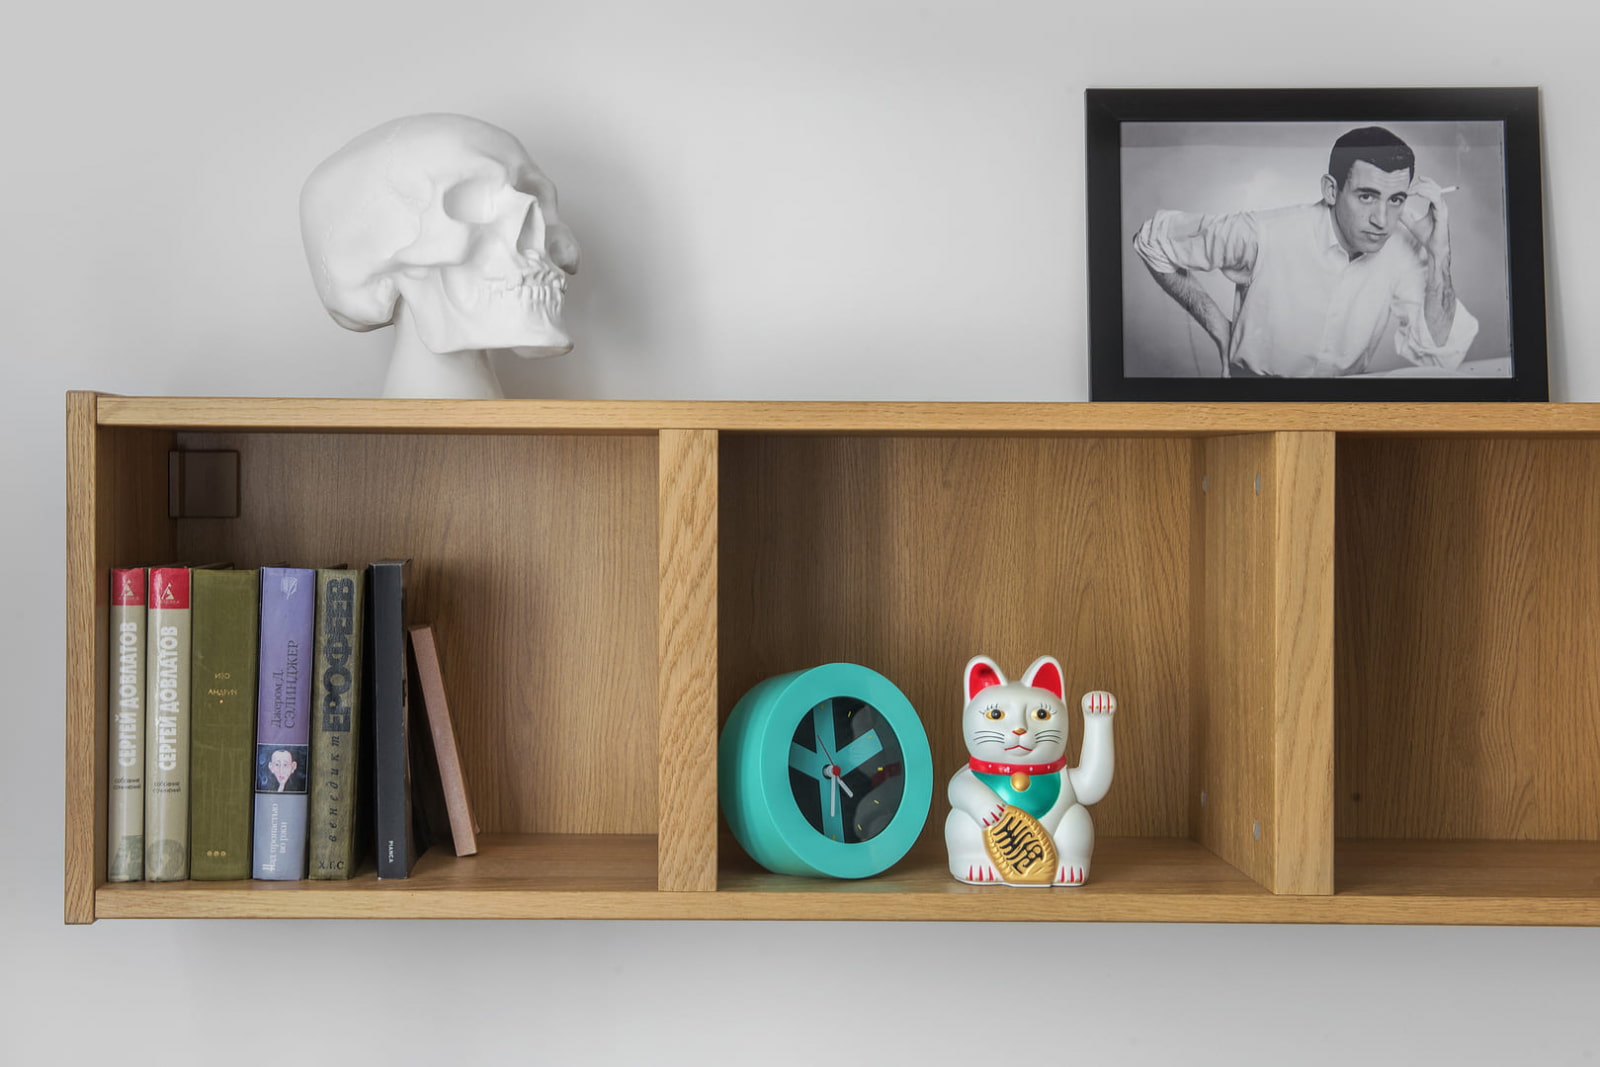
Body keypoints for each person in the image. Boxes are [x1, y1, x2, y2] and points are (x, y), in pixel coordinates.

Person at [1132, 126, 1478, 378]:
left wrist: (1439, 253)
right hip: (1256, 403)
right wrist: (1220, 329)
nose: (1382, 220)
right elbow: (1152, 240)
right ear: (1331, 190)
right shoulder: (1264, 233)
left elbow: (1440, 356)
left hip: (1344, 413)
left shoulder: (1400, 249)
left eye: (1396, 200)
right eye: (1366, 196)